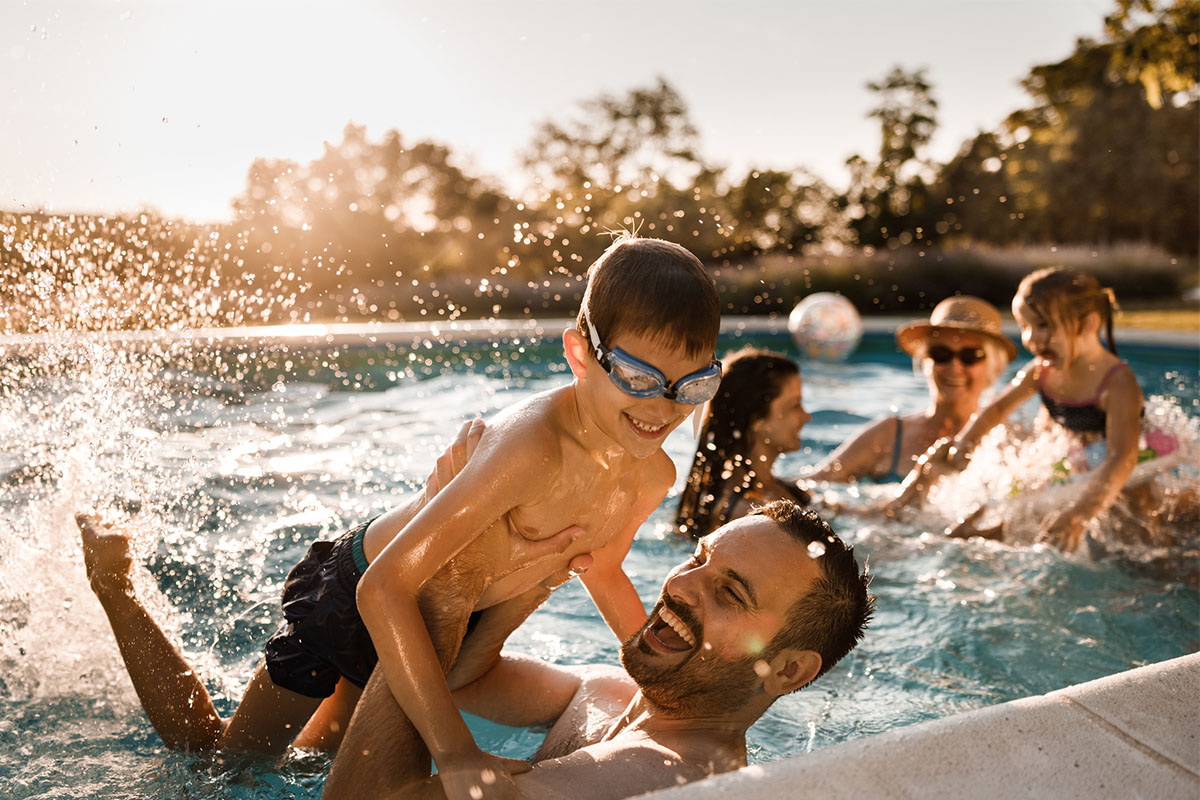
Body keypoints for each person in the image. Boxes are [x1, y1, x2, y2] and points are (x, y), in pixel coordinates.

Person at [78, 235, 723, 800]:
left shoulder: (650, 474)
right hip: (357, 596)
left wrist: (680, 692)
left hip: (441, 623)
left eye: (691, 385)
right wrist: (456, 753)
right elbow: (382, 587)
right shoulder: (533, 446)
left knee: (319, 762)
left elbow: (602, 571)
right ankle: (119, 591)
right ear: (581, 354)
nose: (662, 409)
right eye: (639, 378)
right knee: (224, 765)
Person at [336, 499, 874, 800]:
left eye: (729, 593)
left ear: (788, 669)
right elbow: (461, 682)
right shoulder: (611, 692)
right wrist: (542, 570)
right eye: (697, 560)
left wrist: (442, 589)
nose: (682, 586)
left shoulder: (659, 776)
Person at [892, 267, 1147, 552]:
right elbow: (998, 408)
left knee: (1142, 533)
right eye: (1024, 326)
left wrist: (1080, 514)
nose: (1032, 339)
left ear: (1087, 325)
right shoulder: (1041, 371)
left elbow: (1123, 457)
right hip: (1083, 453)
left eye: (1044, 326)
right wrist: (967, 440)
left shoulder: (1117, 384)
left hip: (1135, 459)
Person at [803, 296, 1016, 487]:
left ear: (994, 368)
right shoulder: (888, 434)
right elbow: (811, 487)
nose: (954, 367)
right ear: (924, 361)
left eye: (970, 356)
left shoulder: (1011, 443)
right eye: (940, 354)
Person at [675, 349, 813, 538]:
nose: (806, 417)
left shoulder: (782, 489)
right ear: (757, 420)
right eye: (794, 405)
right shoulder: (744, 515)